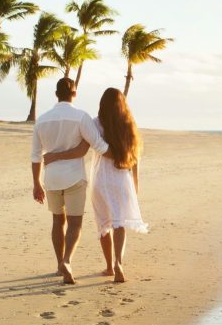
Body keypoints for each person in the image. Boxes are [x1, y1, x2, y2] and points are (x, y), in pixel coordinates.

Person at [44, 88, 147, 283]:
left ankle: (109, 266)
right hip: (121, 178)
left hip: (101, 179)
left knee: (103, 224)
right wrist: (135, 184)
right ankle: (118, 263)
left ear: (102, 104)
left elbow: (81, 150)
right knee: (119, 223)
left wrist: (55, 156)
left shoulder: (95, 124)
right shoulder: (128, 124)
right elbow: (135, 158)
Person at [31, 77, 109, 284]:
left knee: (58, 220)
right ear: (74, 93)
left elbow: (36, 156)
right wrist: (123, 156)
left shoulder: (42, 119)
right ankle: (67, 260)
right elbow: (98, 145)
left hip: (51, 178)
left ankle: (59, 265)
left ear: (56, 94)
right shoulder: (81, 117)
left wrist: (36, 183)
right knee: (75, 223)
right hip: (74, 177)